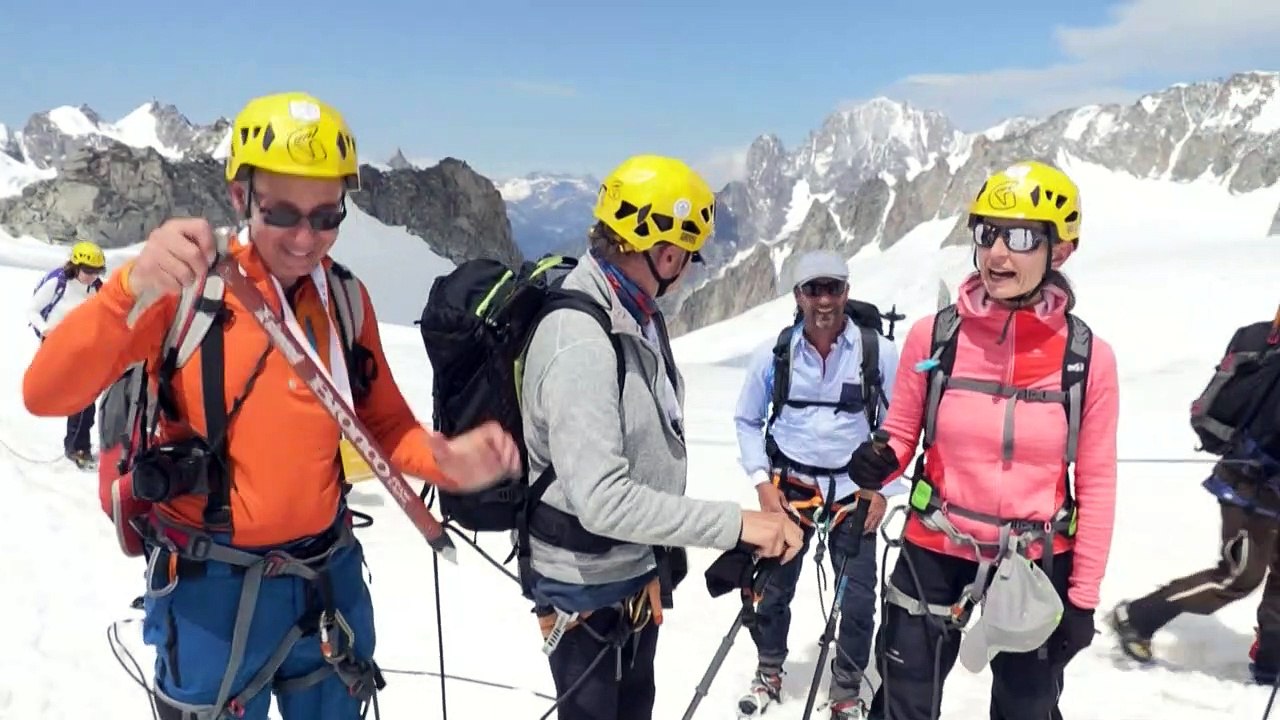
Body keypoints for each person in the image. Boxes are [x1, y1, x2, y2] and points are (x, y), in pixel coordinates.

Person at [22, 91, 521, 720]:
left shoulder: (344, 300)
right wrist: (128, 287)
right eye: (282, 212)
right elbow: (45, 393)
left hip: (324, 577)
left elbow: (383, 425)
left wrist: (445, 460)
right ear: (240, 197)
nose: (306, 237)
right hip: (211, 592)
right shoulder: (186, 292)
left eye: (326, 216)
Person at [518, 153, 804, 720]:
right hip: (586, 588)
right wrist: (738, 524)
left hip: (628, 572)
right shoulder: (580, 338)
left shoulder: (635, 313)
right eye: (688, 256)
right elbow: (601, 499)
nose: (690, 270)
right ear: (664, 251)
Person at [847, 160, 1119, 720]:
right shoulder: (937, 335)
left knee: (1026, 709)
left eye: (1020, 237)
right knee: (902, 703)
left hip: (1035, 561)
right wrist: (882, 460)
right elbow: (902, 435)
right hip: (934, 546)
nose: (997, 253)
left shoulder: (1087, 358)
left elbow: (1096, 482)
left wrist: (1083, 599)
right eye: (987, 233)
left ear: (1060, 249)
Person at [731, 249, 905, 719]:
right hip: (790, 489)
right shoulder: (775, 353)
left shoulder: (878, 353)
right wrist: (762, 484)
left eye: (833, 288)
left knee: (858, 597)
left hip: (856, 494)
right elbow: (748, 420)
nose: (824, 300)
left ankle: (846, 687)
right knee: (772, 585)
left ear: (847, 292)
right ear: (798, 296)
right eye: (814, 289)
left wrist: (885, 492)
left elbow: (900, 427)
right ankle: (770, 670)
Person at [1109, 310, 1280, 683]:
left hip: (1263, 483)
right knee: (1239, 574)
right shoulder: (1270, 354)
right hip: (1249, 483)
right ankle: (1138, 617)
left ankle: (1271, 661)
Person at [27, 239, 106, 468]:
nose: (91, 276)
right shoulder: (57, 283)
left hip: (84, 347)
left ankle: (78, 445)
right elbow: (32, 310)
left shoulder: (99, 288)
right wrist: (45, 330)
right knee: (81, 397)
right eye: (87, 270)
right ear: (75, 265)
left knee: (86, 398)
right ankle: (77, 447)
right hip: (56, 346)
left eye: (96, 271)